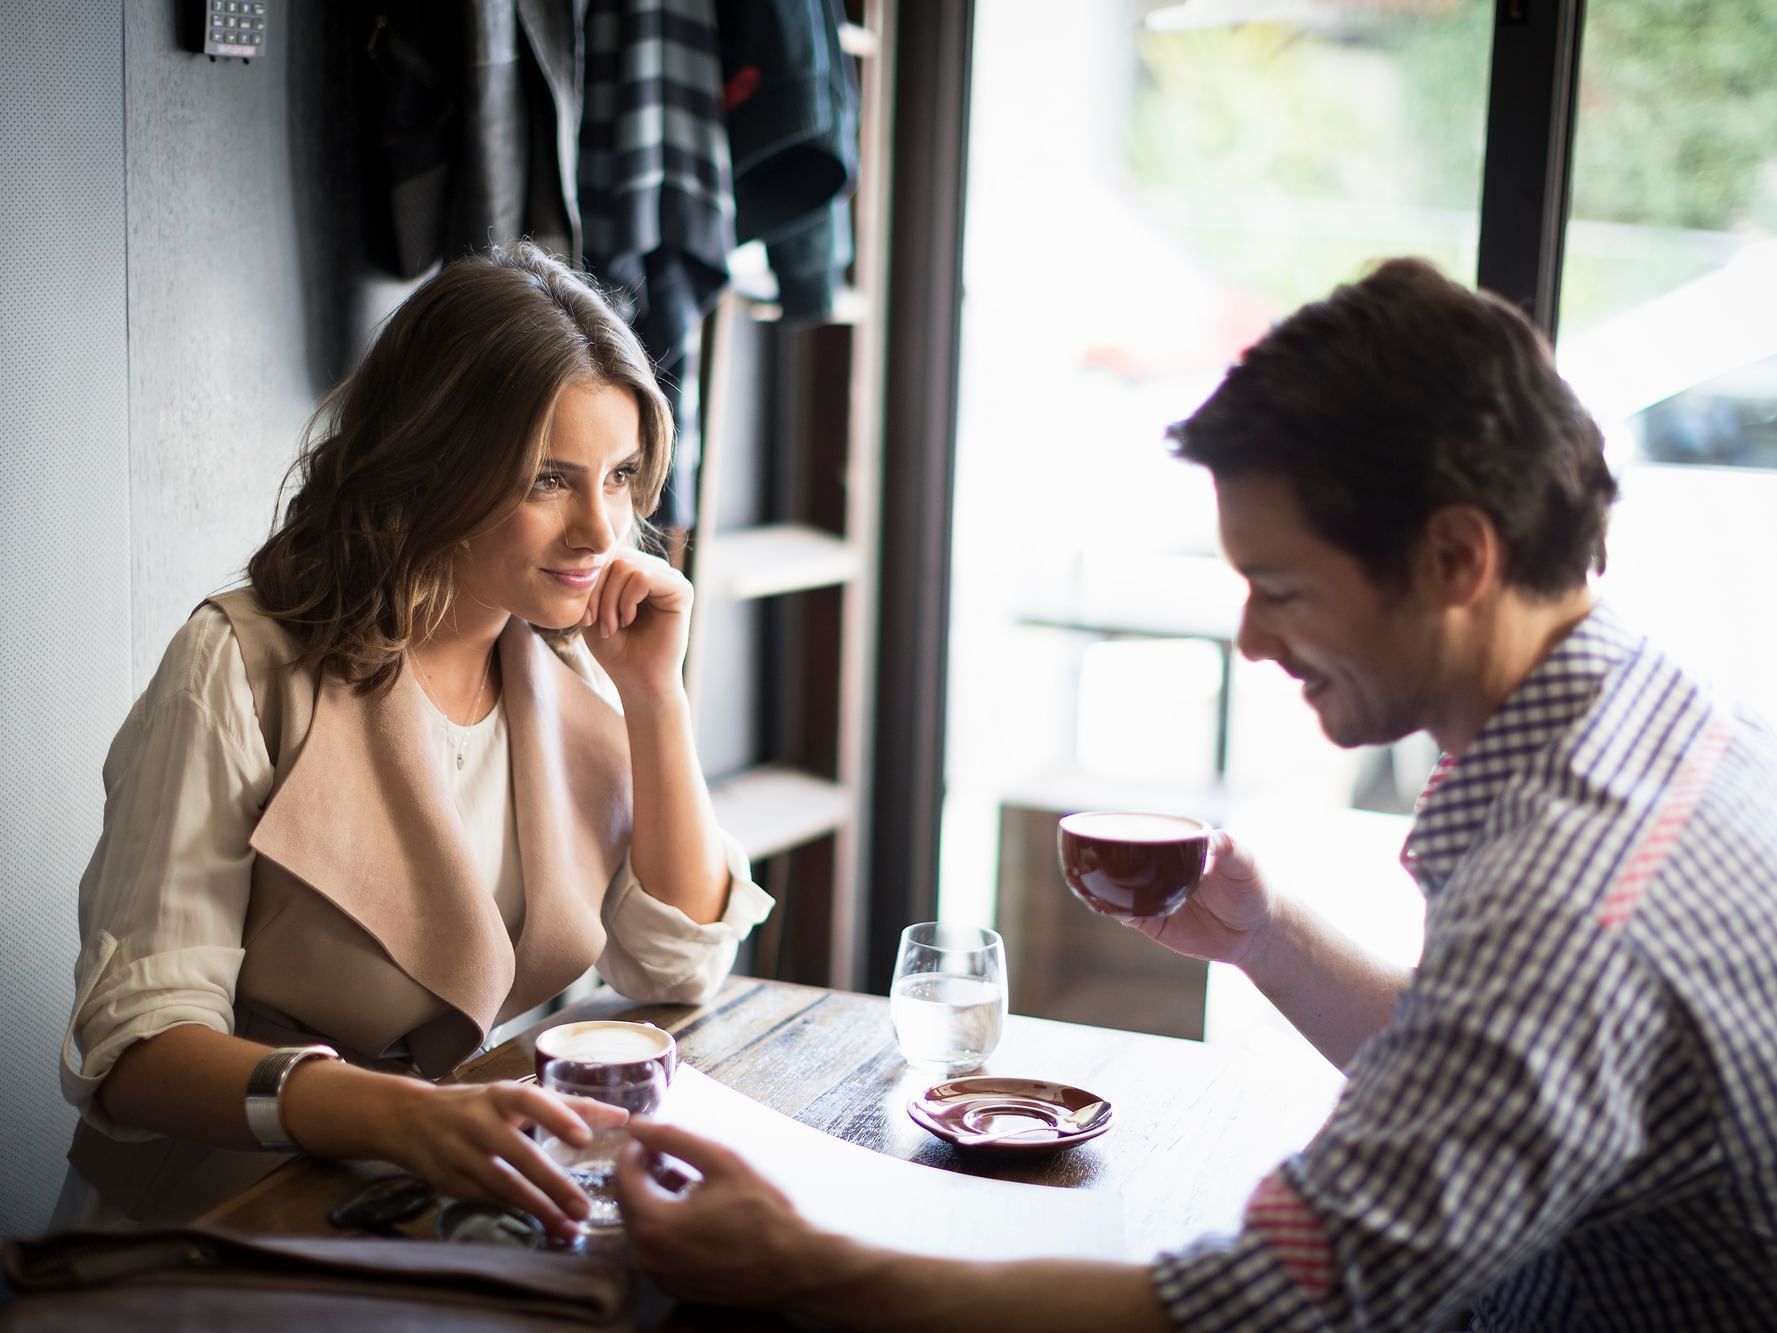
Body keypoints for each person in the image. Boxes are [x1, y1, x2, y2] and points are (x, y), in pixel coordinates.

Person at [609, 258, 1777, 1330]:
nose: (1252, 637)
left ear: (1457, 557)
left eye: (1280, 586)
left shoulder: (1569, 889)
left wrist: (797, 1264)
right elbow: (1488, 1073)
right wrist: (1268, 942)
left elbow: (1274, 1304)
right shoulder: (1664, 724)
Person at [56, 242, 773, 1238]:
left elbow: (675, 963)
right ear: (432, 465)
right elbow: (136, 1049)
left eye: (618, 477)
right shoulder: (238, 664)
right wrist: (407, 1116)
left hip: (445, 1211)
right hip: (220, 1224)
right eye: (546, 480)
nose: (599, 532)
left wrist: (656, 700)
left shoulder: (562, 664)